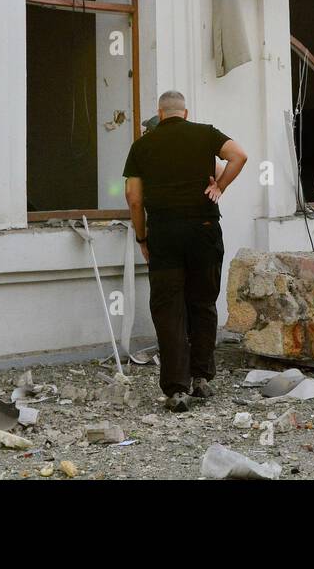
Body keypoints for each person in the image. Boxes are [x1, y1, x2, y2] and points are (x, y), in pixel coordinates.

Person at [124, 91, 246, 412]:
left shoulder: (142, 145)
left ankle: (177, 389)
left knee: (168, 309)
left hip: (164, 233)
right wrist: (220, 185)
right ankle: (202, 378)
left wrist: (142, 238)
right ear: (186, 113)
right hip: (204, 230)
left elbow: (133, 198)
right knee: (203, 302)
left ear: (160, 114)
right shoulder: (205, 133)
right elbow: (239, 156)